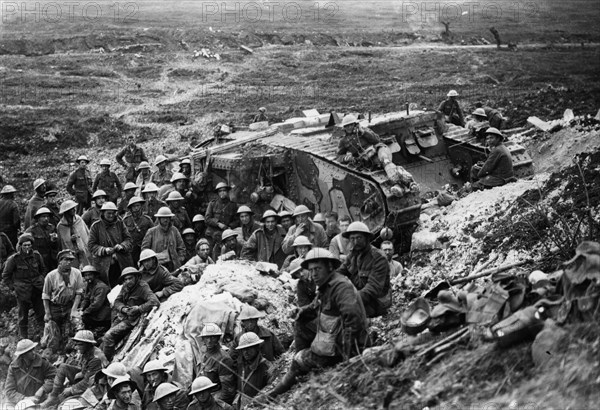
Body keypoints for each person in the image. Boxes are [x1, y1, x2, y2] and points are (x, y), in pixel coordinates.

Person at [266, 248, 368, 398]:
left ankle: (276, 391)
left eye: (318, 269)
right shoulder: (326, 286)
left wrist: (348, 360)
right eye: (311, 270)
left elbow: (353, 320)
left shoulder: (340, 287)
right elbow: (315, 306)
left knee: (298, 360)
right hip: (334, 337)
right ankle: (305, 362)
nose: (314, 274)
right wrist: (302, 311)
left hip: (344, 348)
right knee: (301, 322)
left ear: (330, 267)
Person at [102, 267, 160, 360]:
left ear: (136, 277)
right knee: (104, 340)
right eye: (126, 279)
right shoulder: (125, 287)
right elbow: (117, 301)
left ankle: (107, 362)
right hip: (122, 316)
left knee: (109, 336)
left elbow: (154, 301)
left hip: (132, 319)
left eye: (130, 278)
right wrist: (123, 309)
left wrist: (139, 308)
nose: (128, 281)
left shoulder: (142, 287)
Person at [337, 222, 391, 318]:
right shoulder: (353, 255)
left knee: (345, 317)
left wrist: (349, 301)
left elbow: (372, 289)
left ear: (366, 238)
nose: (355, 242)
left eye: (359, 238)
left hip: (376, 302)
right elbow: (339, 273)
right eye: (352, 239)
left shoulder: (378, 258)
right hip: (359, 298)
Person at [41, 330, 103, 407]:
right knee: (63, 367)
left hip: (95, 385)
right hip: (85, 377)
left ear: (88, 344)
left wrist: (71, 389)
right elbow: (83, 369)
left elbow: (88, 381)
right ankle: (53, 395)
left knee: (64, 398)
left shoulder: (96, 358)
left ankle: (56, 401)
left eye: (80, 345)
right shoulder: (86, 351)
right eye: (76, 344)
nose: (76, 347)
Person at [2, 233, 46, 339]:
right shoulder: (14, 259)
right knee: (23, 314)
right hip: (22, 290)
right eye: (25, 245)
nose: (27, 247)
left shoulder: (36, 256)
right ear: (20, 246)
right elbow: (6, 276)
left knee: (41, 312)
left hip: (37, 288)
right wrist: (14, 288)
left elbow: (43, 269)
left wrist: (41, 279)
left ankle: (43, 334)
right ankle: (24, 337)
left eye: (29, 245)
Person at [42, 250, 84, 352]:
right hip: (55, 306)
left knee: (76, 324)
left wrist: (74, 310)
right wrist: (47, 313)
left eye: (71, 260)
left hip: (69, 305)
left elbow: (79, 292)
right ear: (60, 261)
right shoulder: (51, 275)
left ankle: (74, 349)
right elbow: (46, 295)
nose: (69, 262)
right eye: (66, 260)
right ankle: (56, 351)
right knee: (54, 332)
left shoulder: (76, 273)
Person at [281, 236, 316, 351]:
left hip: (329, 310)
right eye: (297, 274)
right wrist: (299, 311)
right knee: (299, 322)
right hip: (315, 310)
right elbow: (303, 304)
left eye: (302, 270)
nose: (300, 275)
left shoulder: (318, 276)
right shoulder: (301, 285)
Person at [88, 202, 134, 287]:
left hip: (121, 261)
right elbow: (91, 245)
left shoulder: (120, 224)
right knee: (106, 286)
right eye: (108, 213)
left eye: (113, 213)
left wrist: (122, 246)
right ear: (103, 213)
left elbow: (129, 239)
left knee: (125, 284)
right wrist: (104, 250)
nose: (111, 216)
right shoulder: (96, 226)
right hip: (104, 264)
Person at [4, 339, 56, 405]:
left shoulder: (42, 362)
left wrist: (43, 389)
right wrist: (24, 399)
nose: (33, 352)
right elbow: (9, 391)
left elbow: (56, 377)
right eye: (30, 351)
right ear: (23, 355)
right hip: (20, 402)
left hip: (40, 400)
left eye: (33, 349)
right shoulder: (14, 367)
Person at [196, 323, 236, 405]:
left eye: (213, 337)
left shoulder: (224, 359)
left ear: (218, 338)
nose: (209, 340)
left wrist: (214, 405)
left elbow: (228, 391)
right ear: (203, 339)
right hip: (202, 396)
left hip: (214, 399)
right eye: (207, 337)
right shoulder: (204, 353)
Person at [142, 207, 186, 271]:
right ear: (159, 219)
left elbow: (181, 247)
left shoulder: (174, 230)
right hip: (156, 267)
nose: (166, 220)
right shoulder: (151, 232)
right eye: (163, 218)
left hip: (173, 266)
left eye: (167, 217)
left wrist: (179, 259)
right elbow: (145, 249)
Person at [235, 332, 271, 406]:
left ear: (257, 348)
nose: (246, 352)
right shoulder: (241, 364)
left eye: (249, 348)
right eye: (243, 349)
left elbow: (270, 390)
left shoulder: (266, 367)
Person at [56, 200, 91, 269]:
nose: (74, 210)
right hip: (71, 255)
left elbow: (87, 233)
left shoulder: (79, 220)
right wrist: (70, 240)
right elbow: (61, 244)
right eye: (71, 209)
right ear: (66, 212)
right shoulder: (60, 226)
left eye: (74, 208)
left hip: (84, 252)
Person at [205, 182, 238, 255]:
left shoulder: (233, 205)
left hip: (226, 234)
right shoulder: (212, 204)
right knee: (209, 253)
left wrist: (230, 226)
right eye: (220, 191)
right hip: (212, 233)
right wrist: (218, 223)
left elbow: (237, 220)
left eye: (224, 190)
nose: (222, 193)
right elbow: (207, 218)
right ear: (217, 193)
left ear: (227, 192)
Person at [79, 265, 111, 336]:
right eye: (86, 275)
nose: (87, 277)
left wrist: (84, 312)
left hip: (103, 316)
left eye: (90, 275)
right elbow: (86, 298)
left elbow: (97, 304)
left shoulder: (101, 287)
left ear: (95, 275)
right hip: (96, 313)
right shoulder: (90, 285)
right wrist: (81, 308)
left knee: (85, 318)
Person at [25, 206, 59, 271]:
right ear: (38, 218)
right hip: (38, 260)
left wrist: (53, 241)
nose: (46, 219)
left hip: (51, 261)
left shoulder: (52, 228)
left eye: (48, 216)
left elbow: (56, 246)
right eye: (43, 216)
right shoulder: (31, 230)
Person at [123, 196, 154, 264]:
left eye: (138, 205)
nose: (136, 208)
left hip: (144, 248)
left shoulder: (147, 220)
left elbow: (153, 234)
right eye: (134, 206)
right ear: (131, 208)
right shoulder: (126, 220)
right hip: (131, 250)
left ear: (141, 206)